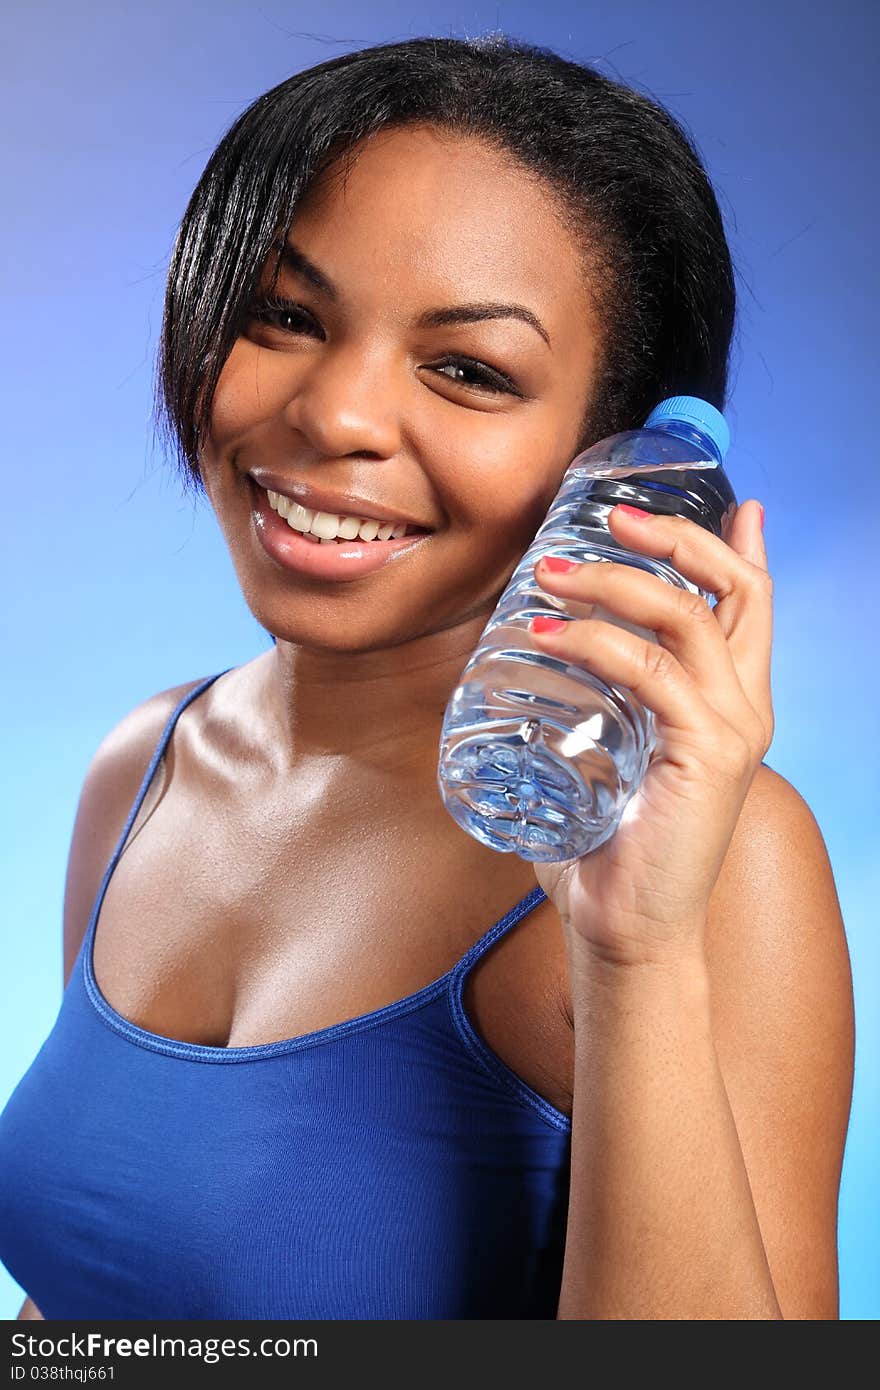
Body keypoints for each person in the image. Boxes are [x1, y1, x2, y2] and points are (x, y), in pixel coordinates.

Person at [0, 34, 853, 1321]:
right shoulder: (148, 763)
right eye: (284, 316)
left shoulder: (713, 858)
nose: (337, 413)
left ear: (615, 456)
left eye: (467, 370)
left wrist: (634, 953)